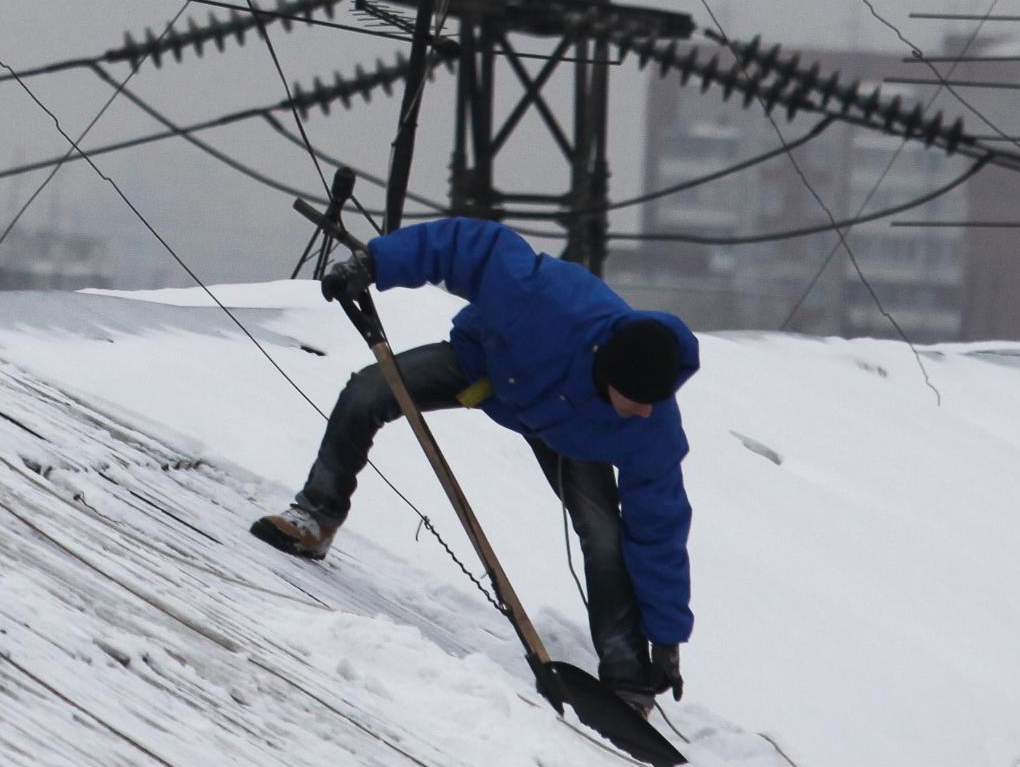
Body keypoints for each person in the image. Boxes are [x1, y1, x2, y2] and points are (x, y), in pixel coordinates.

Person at [253, 217, 699, 704]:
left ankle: (628, 680)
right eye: (635, 399)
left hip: (573, 439)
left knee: (606, 538)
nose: (646, 410)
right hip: (491, 369)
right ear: (612, 373)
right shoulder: (545, 299)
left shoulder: (648, 424)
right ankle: (317, 516)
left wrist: (666, 637)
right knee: (368, 390)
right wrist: (374, 264)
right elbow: (471, 246)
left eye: (655, 400)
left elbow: (660, 530)